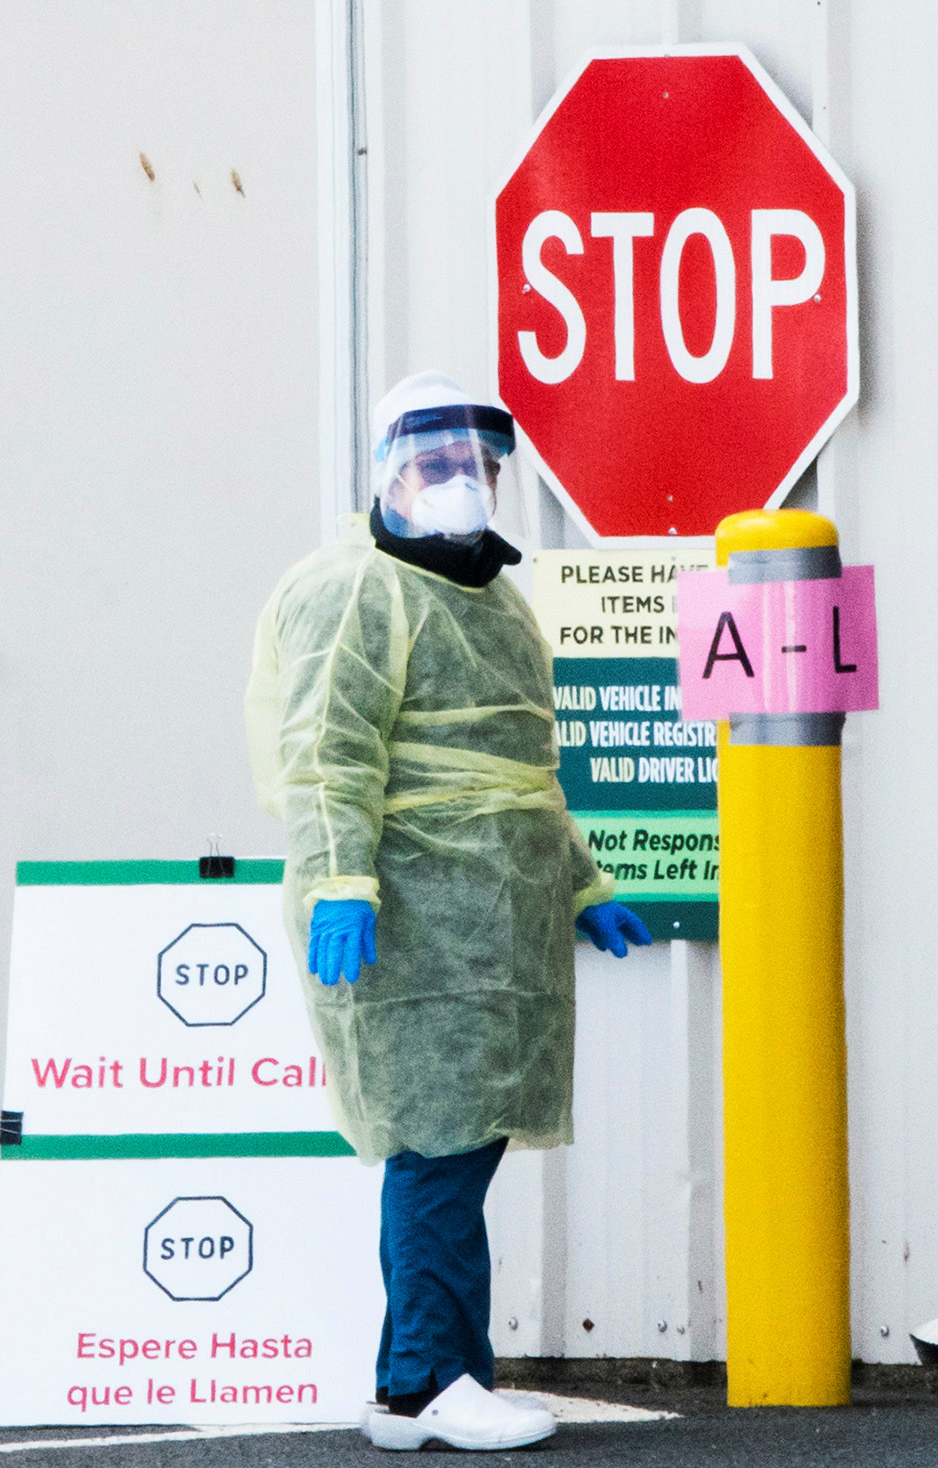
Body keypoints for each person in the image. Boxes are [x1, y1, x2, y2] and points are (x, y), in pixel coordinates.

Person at [246, 371, 653, 1451]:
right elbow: (325, 755)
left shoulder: (496, 600)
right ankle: (427, 1378)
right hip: (410, 908)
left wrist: (580, 881)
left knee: (459, 1149)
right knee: (436, 1145)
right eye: (432, 464)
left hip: (496, 914)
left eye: (474, 464)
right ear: (386, 473)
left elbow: (523, 768)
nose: (457, 482)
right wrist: (341, 878)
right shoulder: (356, 591)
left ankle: (428, 1380)